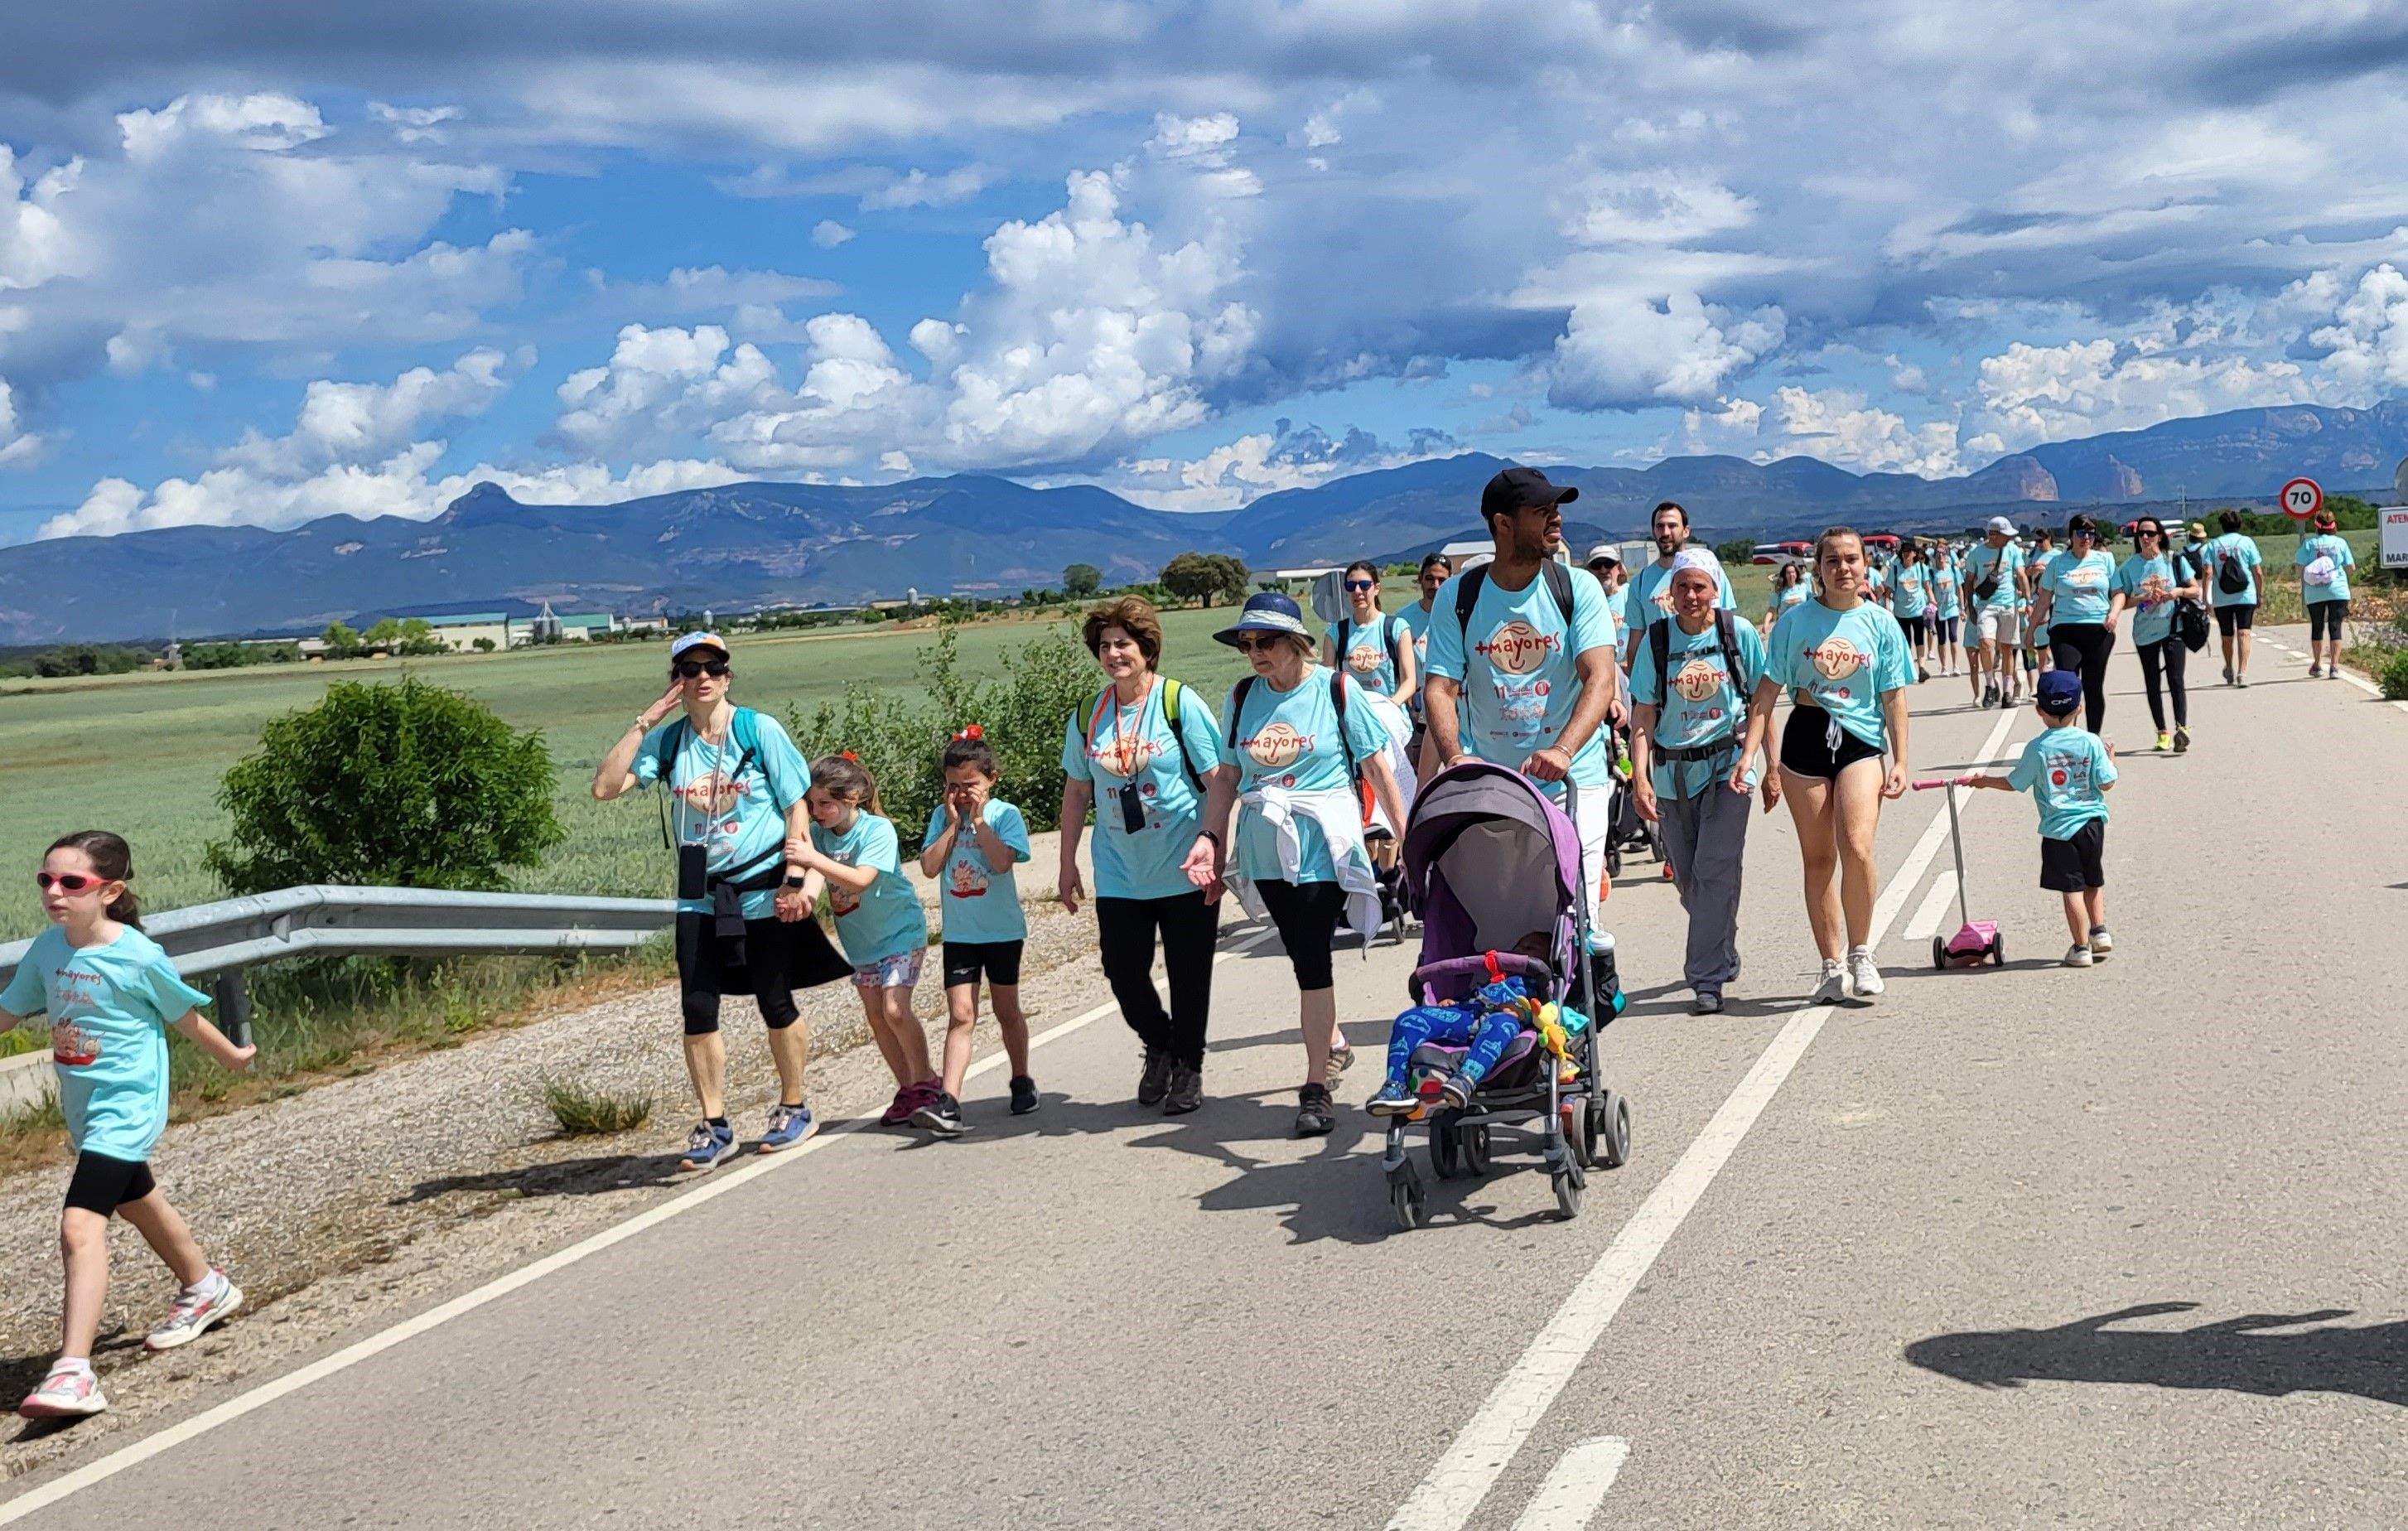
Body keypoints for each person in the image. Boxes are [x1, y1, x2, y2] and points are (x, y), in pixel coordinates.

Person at [2, 832, 256, 1419]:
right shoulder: (47, 949)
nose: (55, 892)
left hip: (128, 1106)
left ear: (111, 890)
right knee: (135, 1197)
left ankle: (74, 1371)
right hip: (84, 1108)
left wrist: (232, 1058)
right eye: (46, 880)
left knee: (79, 1225)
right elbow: (10, 1009)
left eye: (72, 882)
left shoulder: (136, 954)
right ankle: (205, 1286)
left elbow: (184, 1016)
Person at [591, 630, 837, 1171]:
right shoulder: (672, 742)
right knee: (698, 1008)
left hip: (764, 881)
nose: (702, 677)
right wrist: (643, 723)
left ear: (727, 675)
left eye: (712, 667)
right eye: (689, 668)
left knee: (775, 1000)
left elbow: (796, 806)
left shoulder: (758, 730)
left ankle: (794, 1106)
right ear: (676, 680)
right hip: (698, 892)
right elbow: (606, 788)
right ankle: (715, 1124)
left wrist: (796, 879)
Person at [1198, 592, 1406, 1137]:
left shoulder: (1336, 690)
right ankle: (1333, 1041)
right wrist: (1209, 840)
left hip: (1323, 847)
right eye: (1246, 643)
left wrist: (1406, 834)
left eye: (1264, 641)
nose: (1253, 652)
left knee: (1312, 961)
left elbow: (1376, 767)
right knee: (1299, 955)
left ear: (1296, 643)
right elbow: (1226, 776)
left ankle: (1315, 1086)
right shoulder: (1242, 697)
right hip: (1265, 851)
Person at [1058, 596, 1227, 1115]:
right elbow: (1076, 790)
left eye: (1123, 644)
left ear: (1146, 649)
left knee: (1188, 974)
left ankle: (1189, 1070)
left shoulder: (1179, 702)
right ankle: (1161, 1045)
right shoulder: (1090, 713)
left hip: (1184, 862)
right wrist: (1067, 862)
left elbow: (1218, 779)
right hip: (1119, 870)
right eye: (1105, 646)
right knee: (1123, 973)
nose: (1113, 654)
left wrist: (1214, 845)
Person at [1424, 467, 1624, 904]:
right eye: (1542, 510)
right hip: (1494, 783)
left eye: (1556, 509)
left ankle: (1591, 962)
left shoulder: (1577, 588)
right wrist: (1455, 758)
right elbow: (1440, 688)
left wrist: (1564, 750)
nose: (1556, 519)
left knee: (1578, 908)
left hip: (1574, 776)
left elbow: (1601, 678)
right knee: (1505, 911)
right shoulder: (1458, 597)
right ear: (1503, 523)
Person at [1740, 527, 1914, 1003]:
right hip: (1806, 739)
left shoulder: (1881, 623)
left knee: (1857, 845)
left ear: (1866, 565)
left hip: (1859, 743)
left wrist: (1901, 759)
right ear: (1818, 568)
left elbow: (1894, 696)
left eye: (1851, 559)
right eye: (1832, 560)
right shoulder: (1796, 622)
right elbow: (1767, 692)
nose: (1843, 568)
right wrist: (1751, 755)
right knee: (1818, 858)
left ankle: (1862, 953)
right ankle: (1831, 964)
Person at [1628, 551, 1773, 1013]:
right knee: (1690, 878)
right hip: (1672, 775)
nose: (1692, 596)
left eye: (1700, 587)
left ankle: (1706, 980)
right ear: (1670, 595)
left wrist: (1772, 767)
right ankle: (1722, 946)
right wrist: (1640, 778)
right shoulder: (1656, 641)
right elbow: (1643, 716)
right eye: (1683, 588)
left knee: (1714, 867)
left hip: (1730, 765)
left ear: (1716, 590)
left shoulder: (1738, 634)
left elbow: (1761, 702)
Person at [789, 755, 938, 1130]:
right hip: (862, 944)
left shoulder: (877, 831)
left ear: (852, 796)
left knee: (894, 1009)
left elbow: (860, 880)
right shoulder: (820, 837)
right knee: (876, 1017)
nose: (818, 812)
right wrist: (804, 898)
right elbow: (816, 878)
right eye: (812, 804)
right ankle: (906, 1090)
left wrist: (811, 858)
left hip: (900, 934)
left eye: (826, 803)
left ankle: (927, 1084)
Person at [914, 727, 1035, 1133]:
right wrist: (951, 824)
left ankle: (1021, 1079)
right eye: (953, 786)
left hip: (1001, 933)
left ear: (991, 781)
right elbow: (930, 868)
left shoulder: (1006, 815)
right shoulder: (940, 817)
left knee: (1005, 1010)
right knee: (961, 1014)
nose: (962, 794)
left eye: (971, 786)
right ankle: (948, 1101)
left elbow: (1002, 863)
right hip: (961, 935)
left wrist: (980, 821)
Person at [1962, 670, 2117, 968]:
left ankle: (2081, 947)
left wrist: (1984, 781)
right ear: (2080, 708)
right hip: (2093, 826)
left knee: (2071, 888)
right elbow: (2107, 783)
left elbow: (2014, 783)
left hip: (2059, 830)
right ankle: (2100, 931)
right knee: (2093, 879)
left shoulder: (2038, 748)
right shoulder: (2092, 742)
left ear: (2039, 711)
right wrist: (2110, 760)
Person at [1323, 558, 1421, 864]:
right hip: (1350, 719)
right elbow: (1326, 682)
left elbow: (1409, 681)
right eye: (1351, 586)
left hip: (1388, 717)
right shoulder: (1335, 634)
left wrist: (1387, 707)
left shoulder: (1395, 628)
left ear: (1376, 588)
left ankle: (1391, 851)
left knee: (1387, 776)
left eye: (1365, 585)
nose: (1358, 591)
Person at [2110, 516, 2199, 753]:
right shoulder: (2129, 567)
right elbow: (2121, 599)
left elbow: (2195, 589)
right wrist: (2141, 599)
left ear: (2160, 536)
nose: (2145, 538)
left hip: (2173, 628)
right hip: (2144, 631)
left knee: (2176, 679)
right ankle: (2162, 732)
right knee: (2152, 682)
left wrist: (2176, 592)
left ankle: (2182, 728)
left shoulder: (2173, 560)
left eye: (2150, 533)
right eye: (2141, 534)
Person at [1623, 500, 1736, 668]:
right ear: (1653, 532)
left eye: (1672, 526)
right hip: (1663, 679)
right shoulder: (1640, 583)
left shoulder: (1711, 573)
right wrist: (1637, 687)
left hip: (1709, 668)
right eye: (1660, 526)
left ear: (1686, 531)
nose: (1665, 532)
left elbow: (1729, 624)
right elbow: (1635, 642)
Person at [2034, 514, 2119, 735]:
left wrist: (2114, 614)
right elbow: (2045, 598)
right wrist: (2032, 628)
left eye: (2090, 533)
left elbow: (2119, 593)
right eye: (2081, 533)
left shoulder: (2105, 560)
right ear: (2071, 536)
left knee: (2093, 687)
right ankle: (2066, 737)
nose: (2086, 538)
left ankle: (2093, 740)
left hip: (2098, 629)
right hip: (2065, 630)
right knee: (2066, 685)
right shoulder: (2058, 563)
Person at [1395, 553, 1452, 777]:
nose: (1435, 586)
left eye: (1442, 580)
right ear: (1420, 579)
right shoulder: (1403, 619)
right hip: (1417, 713)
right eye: (1430, 579)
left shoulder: (1457, 614)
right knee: (1418, 774)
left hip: (1453, 707)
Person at [1963, 517, 2030, 710]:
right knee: (1985, 643)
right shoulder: (1976, 554)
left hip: (2009, 604)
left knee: (2008, 648)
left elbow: (2021, 575)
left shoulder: (2013, 550)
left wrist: (2028, 599)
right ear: (1993, 535)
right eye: (2005, 535)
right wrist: (1969, 606)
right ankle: (1990, 684)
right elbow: (1969, 580)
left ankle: (2008, 689)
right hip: (1986, 605)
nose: (2009, 538)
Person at [2201, 508, 2264, 685]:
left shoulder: (2213, 545)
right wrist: (2260, 593)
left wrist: (2206, 599)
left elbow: (2207, 571)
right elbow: (2257, 571)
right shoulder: (2247, 542)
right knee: (2244, 632)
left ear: (2221, 525)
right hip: (2246, 595)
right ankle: (2242, 673)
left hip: (2222, 597)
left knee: (2226, 635)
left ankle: (2229, 667)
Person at [2298, 508, 2357, 679]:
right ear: (2333, 525)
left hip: (2314, 593)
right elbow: (2351, 568)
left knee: (2317, 627)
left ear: (2316, 527)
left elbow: (2298, 568)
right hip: (2338, 590)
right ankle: (2334, 666)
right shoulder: (2341, 543)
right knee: (2335, 627)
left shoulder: (2308, 544)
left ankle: (2317, 664)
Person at [1892, 542, 1933, 680]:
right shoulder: (1895, 569)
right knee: (1905, 641)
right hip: (1900, 612)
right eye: (1904, 551)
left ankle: (1921, 668)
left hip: (1918, 610)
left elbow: (1927, 587)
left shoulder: (1921, 568)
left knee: (1919, 639)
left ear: (1915, 554)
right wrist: (1887, 606)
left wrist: (1932, 601)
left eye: (1909, 551)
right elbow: (1888, 590)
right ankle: (1908, 669)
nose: (1906, 554)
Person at [2024, 528, 2061, 680]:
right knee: (2041, 638)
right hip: (2037, 599)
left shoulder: (2058, 555)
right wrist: (2033, 570)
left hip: (2054, 600)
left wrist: (2045, 569)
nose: (2038, 544)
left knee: (2055, 635)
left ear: (2049, 538)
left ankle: (2056, 668)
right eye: (2036, 541)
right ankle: (2043, 676)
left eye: (2041, 541)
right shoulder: (2033, 555)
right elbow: (2024, 573)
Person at [1930, 543, 1965, 677]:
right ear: (1934, 557)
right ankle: (1944, 667)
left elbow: (1959, 589)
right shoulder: (1932, 573)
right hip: (1939, 609)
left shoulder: (1953, 570)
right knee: (1942, 638)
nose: (1940, 556)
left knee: (1953, 636)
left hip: (1952, 608)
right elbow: (1929, 590)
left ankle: (1955, 665)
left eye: (1943, 553)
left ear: (1947, 556)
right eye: (1938, 553)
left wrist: (1962, 608)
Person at [1763, 559, 1809, 642]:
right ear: (1785, 575)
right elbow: (1772, 609)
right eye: (1788, 573)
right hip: (1784, 627)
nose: (1791, 575)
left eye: (1793, 572)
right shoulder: (1780, 591)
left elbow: (1813, 603)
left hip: (1802, 626)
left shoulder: (1804, 587)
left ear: (1796, 574)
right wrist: (1766, 624)